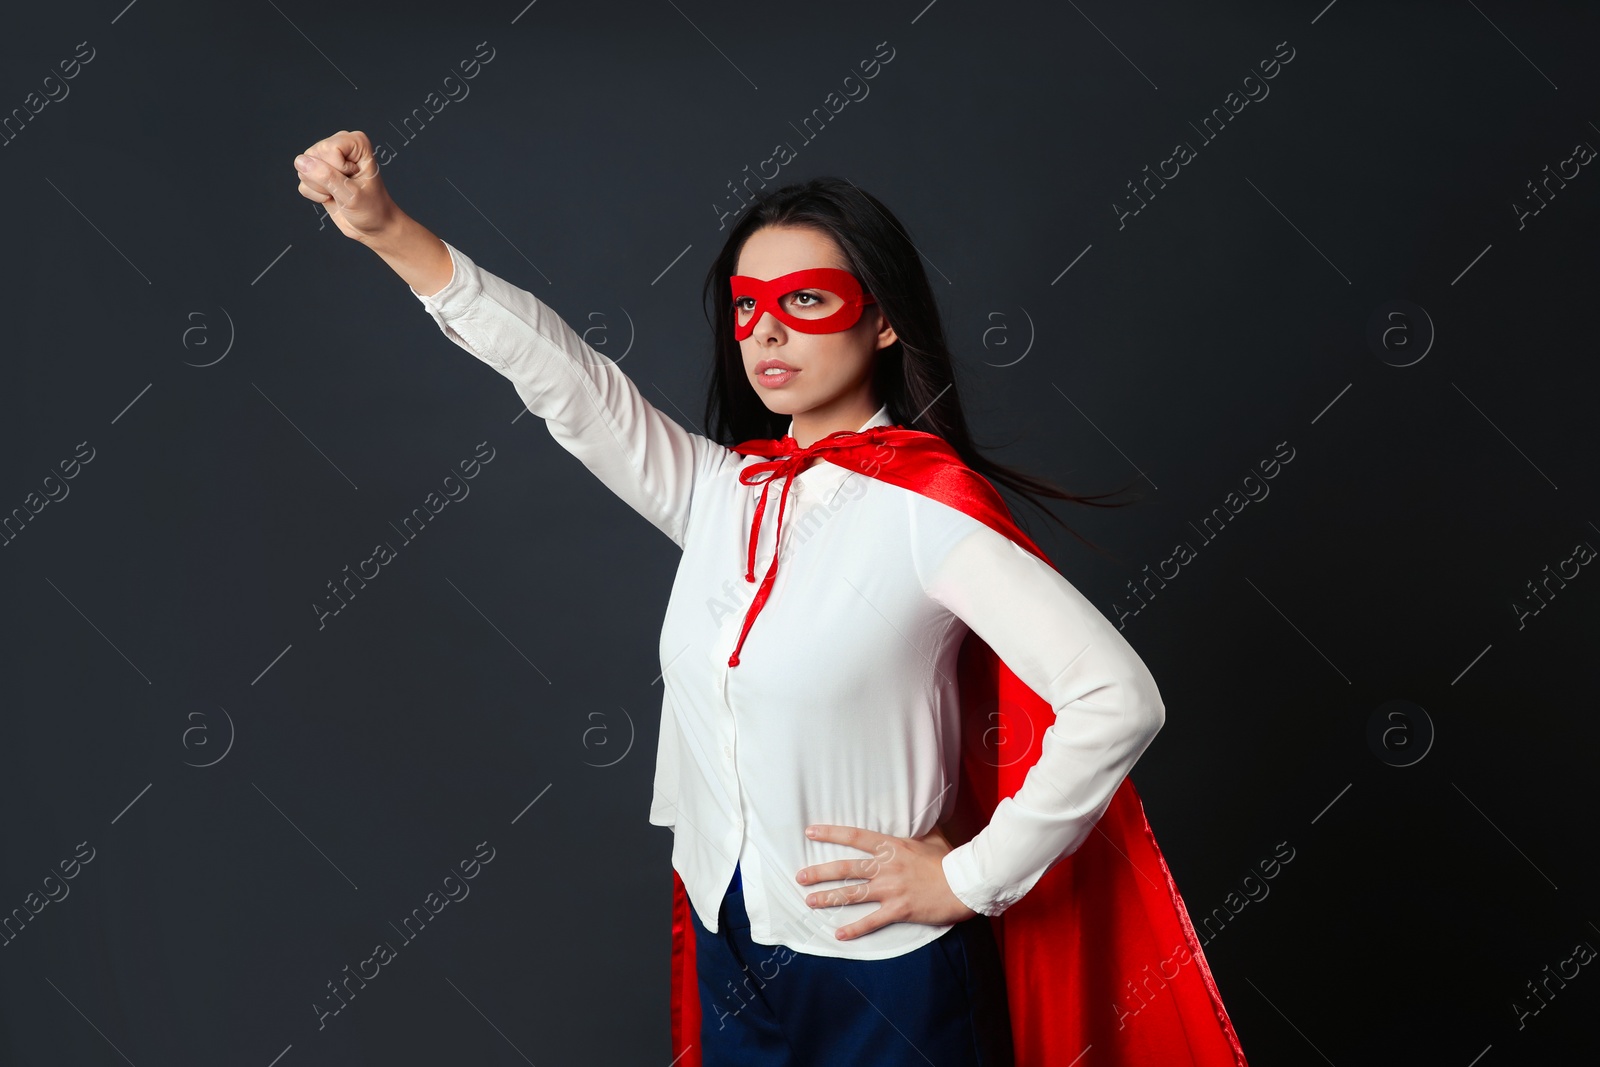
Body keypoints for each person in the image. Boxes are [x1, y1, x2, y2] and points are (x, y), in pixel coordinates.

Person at [290, 131, 1243, 1067]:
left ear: (883, 320)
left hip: (880, 972)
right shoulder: (721, 490)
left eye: (807, 301)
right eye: (747, 307)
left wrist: (969, 878)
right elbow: (568, 384)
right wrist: (387, 230)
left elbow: (1117, 696)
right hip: (728, 934)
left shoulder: (927, 511)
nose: (768, 332)